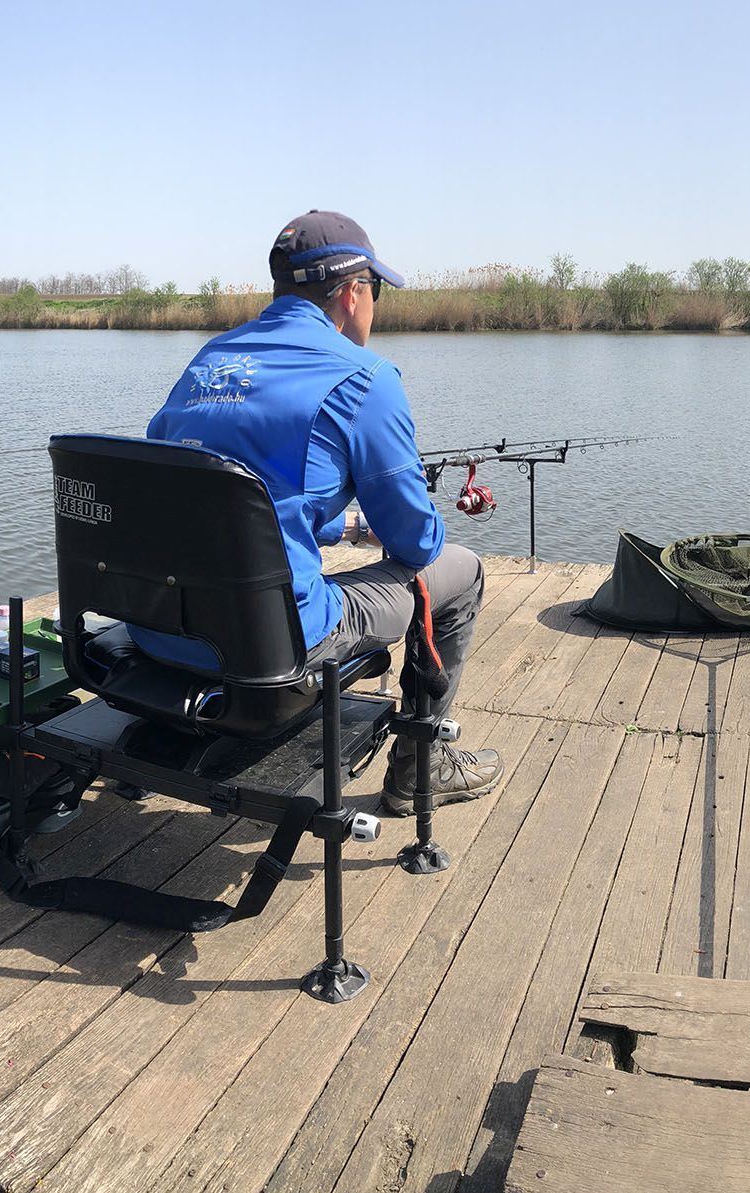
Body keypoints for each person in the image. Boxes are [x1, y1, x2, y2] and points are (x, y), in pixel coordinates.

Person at [132, 210, 501, 815]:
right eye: (375, 290)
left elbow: (218, 494)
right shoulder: (366, 378)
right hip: (271, 646)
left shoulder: (209, 360)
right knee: (461, 570)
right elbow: (415, 544)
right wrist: (407, 519)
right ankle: (419, 768)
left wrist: (346, 525)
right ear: (354, 292)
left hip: (159, 628)